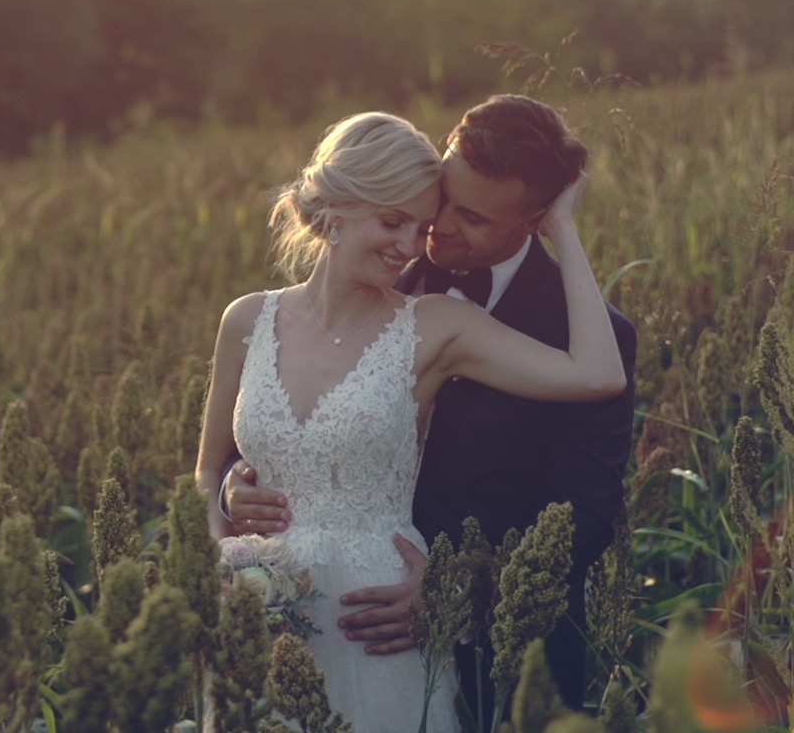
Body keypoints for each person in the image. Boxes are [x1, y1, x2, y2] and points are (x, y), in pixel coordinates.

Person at [195, 110, 625, 733]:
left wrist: (563, 226)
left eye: (422, 223)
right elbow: (210, 466)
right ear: (336, 208)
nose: (419, 241)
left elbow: (596, 383)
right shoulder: (245, 320)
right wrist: (220, 557)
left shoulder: (432, 324)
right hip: (259, 614)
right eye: (397, 221)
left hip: (381, 620)